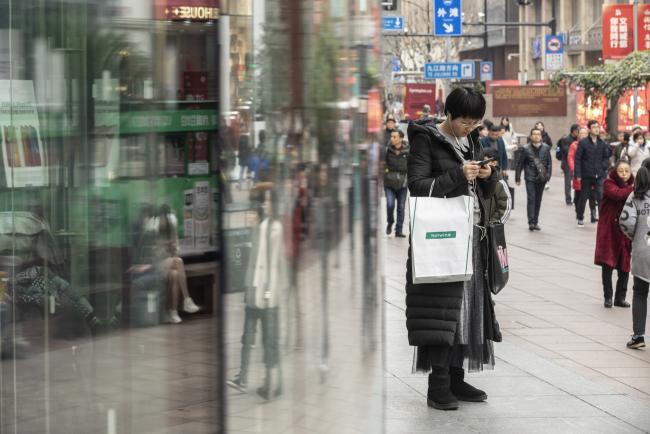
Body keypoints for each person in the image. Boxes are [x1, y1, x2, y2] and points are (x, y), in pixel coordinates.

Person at [406, 87, 500, 411]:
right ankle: (439, 385)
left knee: (468, 309)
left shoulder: (471, 140)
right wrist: (457, 174)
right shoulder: (426, 139)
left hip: (471, 236)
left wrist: (488, 175)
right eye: (465, 122)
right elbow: (416, 186)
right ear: (449, 115)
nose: (470, 128)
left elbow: (479, 187)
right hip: (441, 239)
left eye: (475, 123)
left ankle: (457, 378)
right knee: (443, 311)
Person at [227, 186, 287, 399]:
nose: (265, 205)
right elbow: (255, 263)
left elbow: (273, 264)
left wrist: (269, 294)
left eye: (269, 201)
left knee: (269, 341)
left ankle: (272, 384)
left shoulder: (275, 228)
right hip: (255, 292)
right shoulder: (262, 228)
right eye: (264, 201)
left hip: (267, 296)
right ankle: (247, 379)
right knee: (250, 337)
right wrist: (250, 289)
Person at [144, 205, 200, 324]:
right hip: (156, 266)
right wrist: (164, 246)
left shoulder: (171, 229)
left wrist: (173, 248)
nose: (165, 220)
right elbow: (152, 255)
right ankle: (186, 299)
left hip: (168, 264)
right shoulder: (153, 229)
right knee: (178, 261)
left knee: (175, 274)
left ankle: (172, 312)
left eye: (166, 217)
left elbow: (176, 251)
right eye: (163, 217)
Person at [595, 160, 634, 309]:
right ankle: (608, 297)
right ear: (615, 172)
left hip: (625, 231)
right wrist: (635, 189)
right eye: (621, 171)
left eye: (627, 171)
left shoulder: (632, 186)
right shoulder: (608, 183)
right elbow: (618, 194)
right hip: (609, 230)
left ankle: (620, 297)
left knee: (624, 265)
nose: (624, 174)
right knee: (608, 264)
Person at [620, 159, 650, 349]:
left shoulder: (636, 196)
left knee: (640, 292)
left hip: (643, 251)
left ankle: (638, 336)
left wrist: (636, 238)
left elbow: (626, 222)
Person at [515, 127, 552, 231]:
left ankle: (536, 221)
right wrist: (518, 178)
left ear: (541, 136)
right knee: (531, 199)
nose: (536, 136)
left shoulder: (546, 148)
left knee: (538, 200)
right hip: (530, 177)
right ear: (531, 136)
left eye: (538, 134)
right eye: (534, 134)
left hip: (542, 178)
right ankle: (531, 222)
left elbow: (549, 163)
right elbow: (519, 164)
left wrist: (548, 176)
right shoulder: (525, 148)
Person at [575, 120, 610, 227]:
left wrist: (603, 167)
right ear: (589, 129)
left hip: (599, 174)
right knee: (584, 197)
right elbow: (578, 159)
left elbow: (606, 157)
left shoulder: (602, 143)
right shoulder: (583, 142)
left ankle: (602, 218)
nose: (596, 129)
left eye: (597, 127)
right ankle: (580, 217)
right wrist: (578, 174)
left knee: (600, 195)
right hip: (586, 174)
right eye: (594, 127)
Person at [384, 129, 409, 237]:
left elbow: (412, 166)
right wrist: (385, 173)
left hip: (403, 183)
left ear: (401, 138)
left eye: (394, 137)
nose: (392, 139)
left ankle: (398, 230)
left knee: (401, 207)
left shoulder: (408, 151)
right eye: (391, 137)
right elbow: (383, 164)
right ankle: (390, 222)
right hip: (389, 183)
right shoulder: (387, 150)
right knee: (390, 205)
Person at [568, 127, 597, 221]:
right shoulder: (574, 145)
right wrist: (574, 169)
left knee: (592, 195)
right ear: (578, 135)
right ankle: (579, 213)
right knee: (579, 196)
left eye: (585, 133)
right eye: (581, 133)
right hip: (580, 173)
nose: (583, 135)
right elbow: (570, 158)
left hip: (591, 173)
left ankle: (593, 215)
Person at [482, 147, 512, 224]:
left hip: (489, 228)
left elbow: (505, 207)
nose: (481, 164)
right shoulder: (475, 179)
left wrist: (493, 223)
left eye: (484, 161)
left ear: (494, 163)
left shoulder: (500, 183)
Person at [557, 124, 580, 205]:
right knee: (568, 182)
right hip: (567, 163)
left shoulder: (579, 139)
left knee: (577, 182)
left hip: (578, 163)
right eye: (578, 131)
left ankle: (576, 199)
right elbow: (566, 150)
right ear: (573, 131)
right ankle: (568, 199)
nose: (579, 132)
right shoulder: (565, 139)